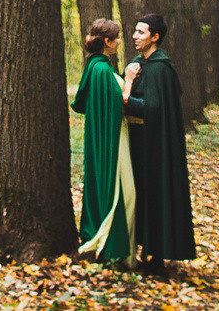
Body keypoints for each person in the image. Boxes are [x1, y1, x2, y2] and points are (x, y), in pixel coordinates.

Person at [122, 12, 196, 277]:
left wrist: (127, 91)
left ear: (155, 37)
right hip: (134, 142)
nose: (134, 36)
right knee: (138, 195)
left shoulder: (161, 68)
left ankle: (156, 256)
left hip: (154, 145)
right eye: (135, 31)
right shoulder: (136, 62)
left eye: (141, 32)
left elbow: (151, 108)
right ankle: (141, 249)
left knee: (155, 194)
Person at [70, 17, 136, 263]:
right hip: (114, 142)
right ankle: (113, 249)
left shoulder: (97, 67)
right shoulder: (100, 70)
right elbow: (118, 106)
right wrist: (127, 81)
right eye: (116, 38)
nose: (119, 41)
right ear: (107, 42)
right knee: (127, 194)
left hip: (114, 139)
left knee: (129, 194)